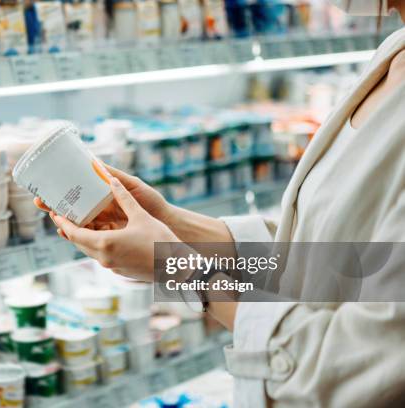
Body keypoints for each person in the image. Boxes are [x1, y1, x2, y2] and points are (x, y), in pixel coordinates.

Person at [36, 1, 405, 406]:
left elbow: (360, 361)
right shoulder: (395, 50)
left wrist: (179, 268)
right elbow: (328, 255)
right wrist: (171, 223)